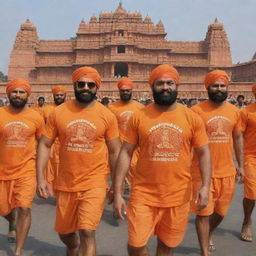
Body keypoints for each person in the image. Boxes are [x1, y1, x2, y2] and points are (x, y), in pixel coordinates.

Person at [113, 64, 211, 256]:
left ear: (177, 86)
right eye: (160, 83)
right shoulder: (139, 117)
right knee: (135, 245)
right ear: (152, 86)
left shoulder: (191, 118)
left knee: (167, 245)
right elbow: (125, 153)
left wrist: (205, 186)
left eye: (170, 83)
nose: (165, 87)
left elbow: (204, 152)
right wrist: (117, 192)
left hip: (178, 195)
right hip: (143, 194)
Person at [37, 66, 120, 256]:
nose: (85, 88)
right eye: (81, 84)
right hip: (65, 182)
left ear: (96, 87)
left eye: (90, 84)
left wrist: (115, 186)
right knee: (65, 234)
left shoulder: (106, 115)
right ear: (74, 85)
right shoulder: (58, 113)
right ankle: (72, 246)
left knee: (87, 231)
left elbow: (115, 152)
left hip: (95, 182)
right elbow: (44, 144)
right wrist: (41, 178)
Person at [190, 70, 244, 254]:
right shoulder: (196, 111)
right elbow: (188, 143)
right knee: (204, 213)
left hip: (227, 171)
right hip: (202, 173)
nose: (219, 89)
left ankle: (209, 233)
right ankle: (204, 251)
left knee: (220, 213)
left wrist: (241, 166)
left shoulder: (235, 112)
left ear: (227, 88)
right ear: (208, 88)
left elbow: (237, 138)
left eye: (222, 86)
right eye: (215, 85)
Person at [0, 78, 44, 256]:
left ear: (28, 95)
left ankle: (18, 251)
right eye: (14, 92)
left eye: (21, 92)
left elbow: (43, 144)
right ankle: (11, 221)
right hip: (2, 169)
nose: (17, 95)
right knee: (4, 208)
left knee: (25, 208)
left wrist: (41, 175)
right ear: (8, 93)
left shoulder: (36, 117)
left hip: (26, 170)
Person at [109, 77, 144, 185]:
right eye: (123, 91)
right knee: (117, 176)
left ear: (131, 91)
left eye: (127, 90)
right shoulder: (111, 107)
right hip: (117, 147)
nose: (125, 93)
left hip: (134, 147)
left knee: (135, 175)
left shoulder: (140, 108)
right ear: (119, 91)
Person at [42, 85, 67, 195]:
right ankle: (56, 191)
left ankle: (62, 190)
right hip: (51, 144)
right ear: (53, 96)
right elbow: (41, 126)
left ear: (65, 96)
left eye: (61, 95)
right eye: (57, 95)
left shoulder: (69, 109)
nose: (59, 97)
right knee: (52, 169)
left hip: (65, 144)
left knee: (64, 168)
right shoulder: (46, 109)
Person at [240, 84, 256, 242]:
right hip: (251, 157)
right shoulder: (246, 112)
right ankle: (247, 221)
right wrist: (239, 163)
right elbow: (239, 137)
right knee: (251, 194)